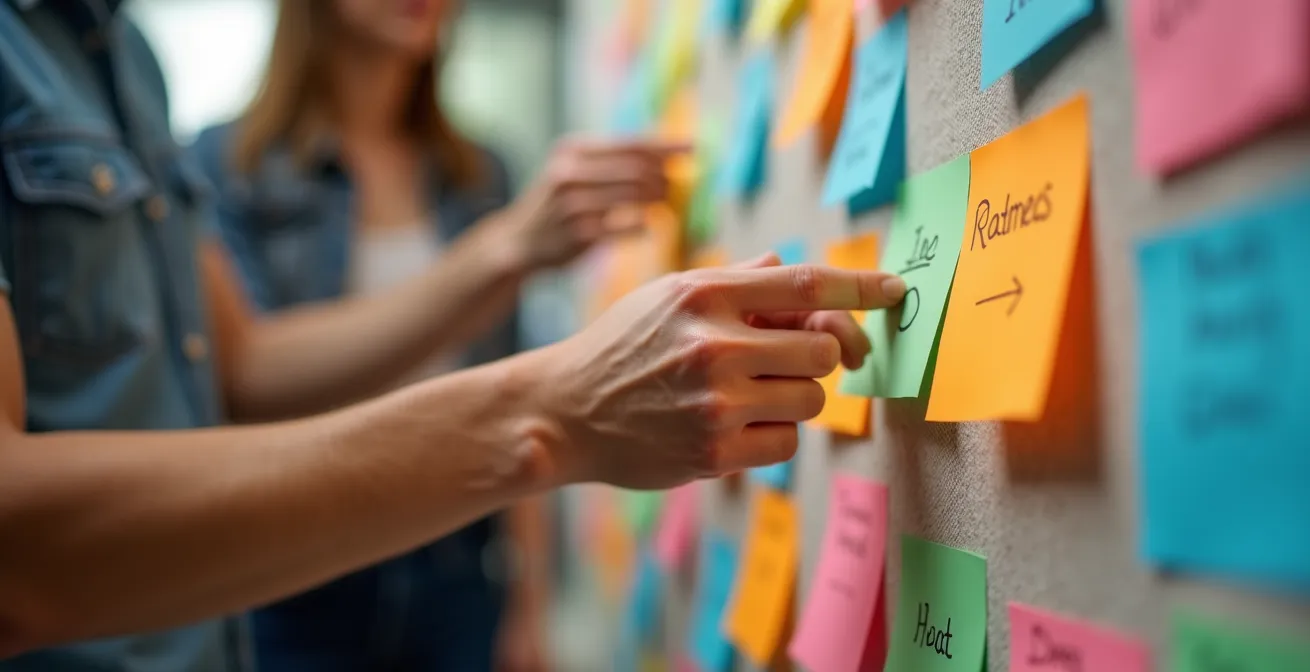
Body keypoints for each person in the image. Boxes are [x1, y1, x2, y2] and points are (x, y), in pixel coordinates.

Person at [0, 1, 908, 671]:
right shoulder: (216, 150)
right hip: (274, 588)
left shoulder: (119, 58)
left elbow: (245, 368)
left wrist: (527, 589)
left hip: (428, 577)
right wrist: (546, 411)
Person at [190, 0, 555, 668]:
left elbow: (520, 393)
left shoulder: (479, 174)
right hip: (294, 570)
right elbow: (249, 380)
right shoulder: (224, 161)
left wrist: (530, 603)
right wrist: (490, 257)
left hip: (459, 564)